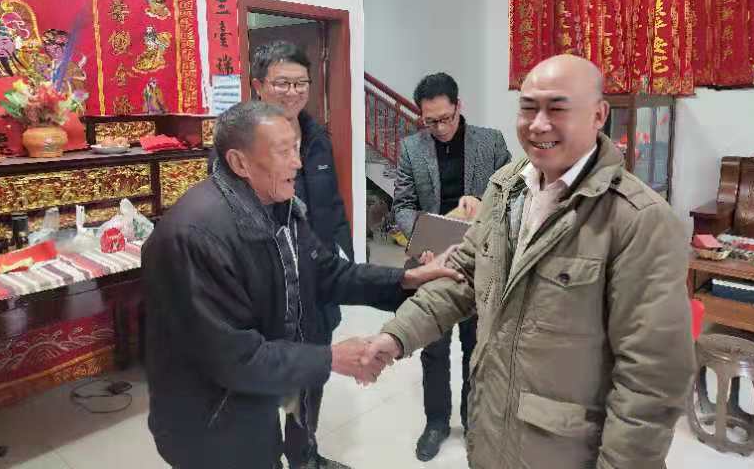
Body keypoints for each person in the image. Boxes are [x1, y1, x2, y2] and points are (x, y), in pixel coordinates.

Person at [367, 55, 695, 468]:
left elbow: (651, 379)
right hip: (492, 436)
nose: (538, 124)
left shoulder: (639, 220)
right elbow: (463, 272)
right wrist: (396, 336)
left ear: (598, 115)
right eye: (527, 107)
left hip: (564, 451)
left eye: (557, 108)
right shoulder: (507, 188)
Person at [143, 101, 463, 469]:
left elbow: (327, 273)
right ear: (240, 163)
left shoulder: (280, 206)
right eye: (283, 152)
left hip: (254, 399)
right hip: (210, 418)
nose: (297, 163)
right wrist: (331, 358)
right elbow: (234, 358)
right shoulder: (194, 237)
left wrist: (406, 279)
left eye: (296, 148)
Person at [391, 72, 510, 461]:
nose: (440, 128)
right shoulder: (412, 148)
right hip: (431, 260)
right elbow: (403, 205)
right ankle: (436, 422)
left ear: (459, 107)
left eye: (446, 118)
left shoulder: (491, 142)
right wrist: (421, 240)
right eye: (431, 122)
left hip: (479, 261)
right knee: (434, 347)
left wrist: (482, 203)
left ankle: (473, 420)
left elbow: (513, 196)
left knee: (477, 346)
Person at [250, 40, 354, 469]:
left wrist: (345, 255)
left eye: (300, 83)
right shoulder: (241, 143)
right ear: (259, 85)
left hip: (318, 284)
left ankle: (303, 455)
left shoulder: (317, 138)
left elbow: (332, 206)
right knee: (262, 384)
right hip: (268, 290)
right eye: (282, 83)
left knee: (313, 374)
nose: (292, 92)